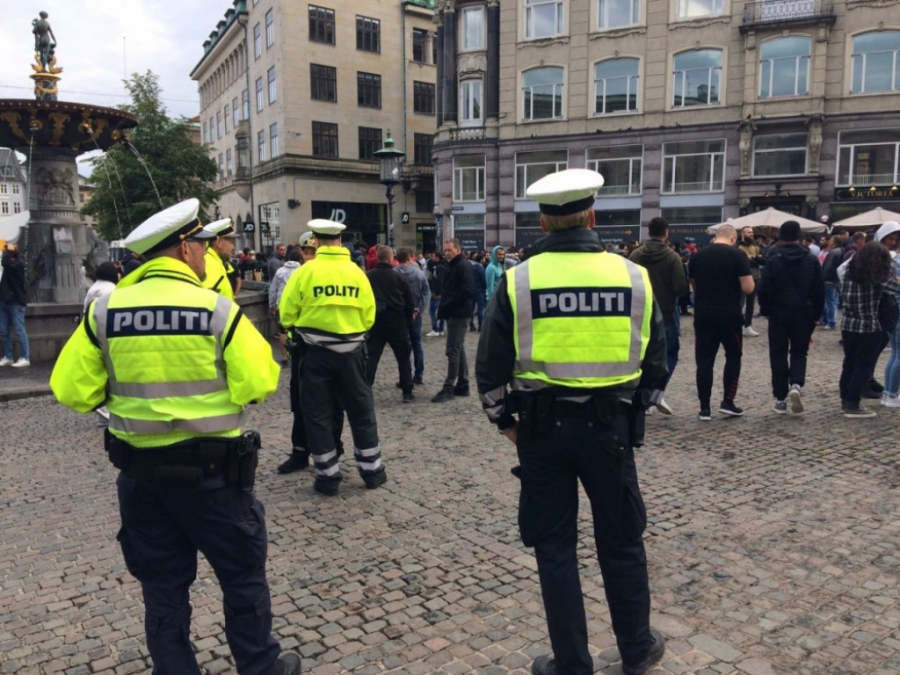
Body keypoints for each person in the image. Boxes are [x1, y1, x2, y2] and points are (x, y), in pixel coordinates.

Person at [49, 199, 300, 675]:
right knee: (242, 577)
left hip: (141, 477)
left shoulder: (104, 312)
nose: (207, 254)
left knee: (162, 588)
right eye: (202, 245)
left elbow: (72, 390)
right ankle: (260, 667)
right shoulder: (216, 309)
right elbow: (259, 382)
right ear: (184, 248)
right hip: (215, 476)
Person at [476, 169, 667, 675]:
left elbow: (490, 367)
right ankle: (637, 648)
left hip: (542, 431)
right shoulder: (633, 276)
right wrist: (635, 411)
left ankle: (572, 663)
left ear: (543, 222)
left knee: (555, 549)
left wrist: (505, 423)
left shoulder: (519, 280)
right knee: (622, 540)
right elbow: (657, 363)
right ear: (592, 216)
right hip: (610, 429)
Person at [279, 219, 386, 495]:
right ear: (340, 241)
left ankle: (328, 477)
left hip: (315, 353)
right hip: (353, 353)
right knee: (362, 412)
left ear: (315, 241)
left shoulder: (305, 272)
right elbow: (370, 315)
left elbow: (286, 315)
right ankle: (372, 471)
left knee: (317, 414)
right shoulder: (356, 273)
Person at [277, 234, 346, 475]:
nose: (308, 257)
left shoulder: (335, 275)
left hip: (331, 350)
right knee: (300, 402)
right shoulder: (301, 276)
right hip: (303, 349)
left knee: (334, 403)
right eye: (305, 252)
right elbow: (287, 311)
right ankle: (300, 451)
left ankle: (333, 448)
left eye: (312, 252)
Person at [757, 221, 825, 415]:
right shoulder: (811, 260)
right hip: (803, 312)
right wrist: (816, 314)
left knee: (778, 353)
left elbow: (764, 287)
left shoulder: (773, 259)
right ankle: (796, 383)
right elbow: (818, 289)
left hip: (778, 313)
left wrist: (766, 310)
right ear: (800, 237)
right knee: (799, 351)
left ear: (781, 237)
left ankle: (780, 399)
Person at [689, 224, 755, 420]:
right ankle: (728, 401)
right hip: (729, 315)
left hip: (704, 315)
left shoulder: (697, 256)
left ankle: (704, 408)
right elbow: (748, 288)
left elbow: (693, 284)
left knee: (704, 361)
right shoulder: (738, 255)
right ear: (733, 238)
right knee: (733, 356)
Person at [629, 217, 689, 415]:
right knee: (669, 354)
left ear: (648, 232)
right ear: (666, 232)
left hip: (639, 312)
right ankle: (657, 392)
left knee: (641, 354)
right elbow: (680, 288)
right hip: (665, 312)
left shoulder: (635, 255)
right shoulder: (672, 257)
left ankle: (641, 393)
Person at [839, 241, 900, 417]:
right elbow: (895, 286)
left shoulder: (849, 271)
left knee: (849, 364)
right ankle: (853, 403)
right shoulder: (875, 276)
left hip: (848, 325)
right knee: (863, 367)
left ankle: (845, 399)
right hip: (868, 326)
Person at [365, 246, 416, 401]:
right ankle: (407, 391)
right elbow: (409, 301)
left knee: (371, 358)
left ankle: (365, 389)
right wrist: (407, 320)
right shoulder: (399, 277)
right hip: (397, 322)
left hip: (376, 322)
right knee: (403, 358)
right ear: (390, 258)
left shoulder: (368, 276)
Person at [432, 238, 475, 403]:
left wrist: (449, 304)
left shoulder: (462, 265)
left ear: (458, 249)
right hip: (454, 312)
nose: (447, 253)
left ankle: (449, 387)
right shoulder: (452, 265)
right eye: (445, 250)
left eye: (450, 250)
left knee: (453, 350)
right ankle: (463, 384)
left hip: (459, 313)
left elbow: (466, 290)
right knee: (458, 348)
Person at [396, 247, 430, 385]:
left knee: (403, 346)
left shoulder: (394, 274)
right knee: (417, 343)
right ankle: (419, 374)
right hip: (416, 313)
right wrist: (419, 310)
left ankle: (405, 377)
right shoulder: (419, 274)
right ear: (410, 258)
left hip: (400, 315)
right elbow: (426, 293)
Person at [0, 243, 29, 368]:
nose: (4, 253)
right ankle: (8, 356)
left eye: (6, 251)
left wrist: (9, 251)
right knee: (3, 331)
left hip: (16, 302)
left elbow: (5, 262)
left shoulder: (19, 264)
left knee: (19, 331)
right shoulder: (8, 265)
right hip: (4, 301)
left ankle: (25, 357)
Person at [202, 218, 238, 300]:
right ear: (218, 242)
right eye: (231, 242)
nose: (233, 247)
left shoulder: (212, 261)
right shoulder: (211, 265)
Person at [738, 227, 763, 337]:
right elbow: (740, 260)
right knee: (740, 302)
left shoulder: (756, 247)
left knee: (751, 303)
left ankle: (748, 325)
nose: (752, 234)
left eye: (752, 232)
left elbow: (763, 260)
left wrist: (753, 258)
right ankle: (738, 325)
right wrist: (753, 258)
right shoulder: (738, 246)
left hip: (755, 276)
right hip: (742, 277)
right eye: (749, 232)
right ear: (743, 234)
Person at [820, 235, 843, 330]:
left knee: (830, 301)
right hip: (837, 279)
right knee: (834, 301)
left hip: (830, 279)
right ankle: (830, 320)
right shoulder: (842, 250)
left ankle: (831, 321)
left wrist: (822, 278)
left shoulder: (833, 252)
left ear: (834, 242)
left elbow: (827, 266)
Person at [426, 252, 447, 337]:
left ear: (438, 257)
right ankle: (441, 329)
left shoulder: (439, 267)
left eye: (434, 256)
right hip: (443, 292)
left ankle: (435, 328)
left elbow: (439, 280)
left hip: (438, 292)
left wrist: (436, 291)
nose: (432, 258)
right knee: (441, 310)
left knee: (432, 310)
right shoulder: (444, 265)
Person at [470, 254, 487, 332]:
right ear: (481, 260)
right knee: (480, 309)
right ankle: (480, 325)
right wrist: (485, 287)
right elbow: (483, 280)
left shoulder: (471, 268)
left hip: (472, 290)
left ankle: (471, 325)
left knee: (471, 308)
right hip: (480, 291)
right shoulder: (481, 269)